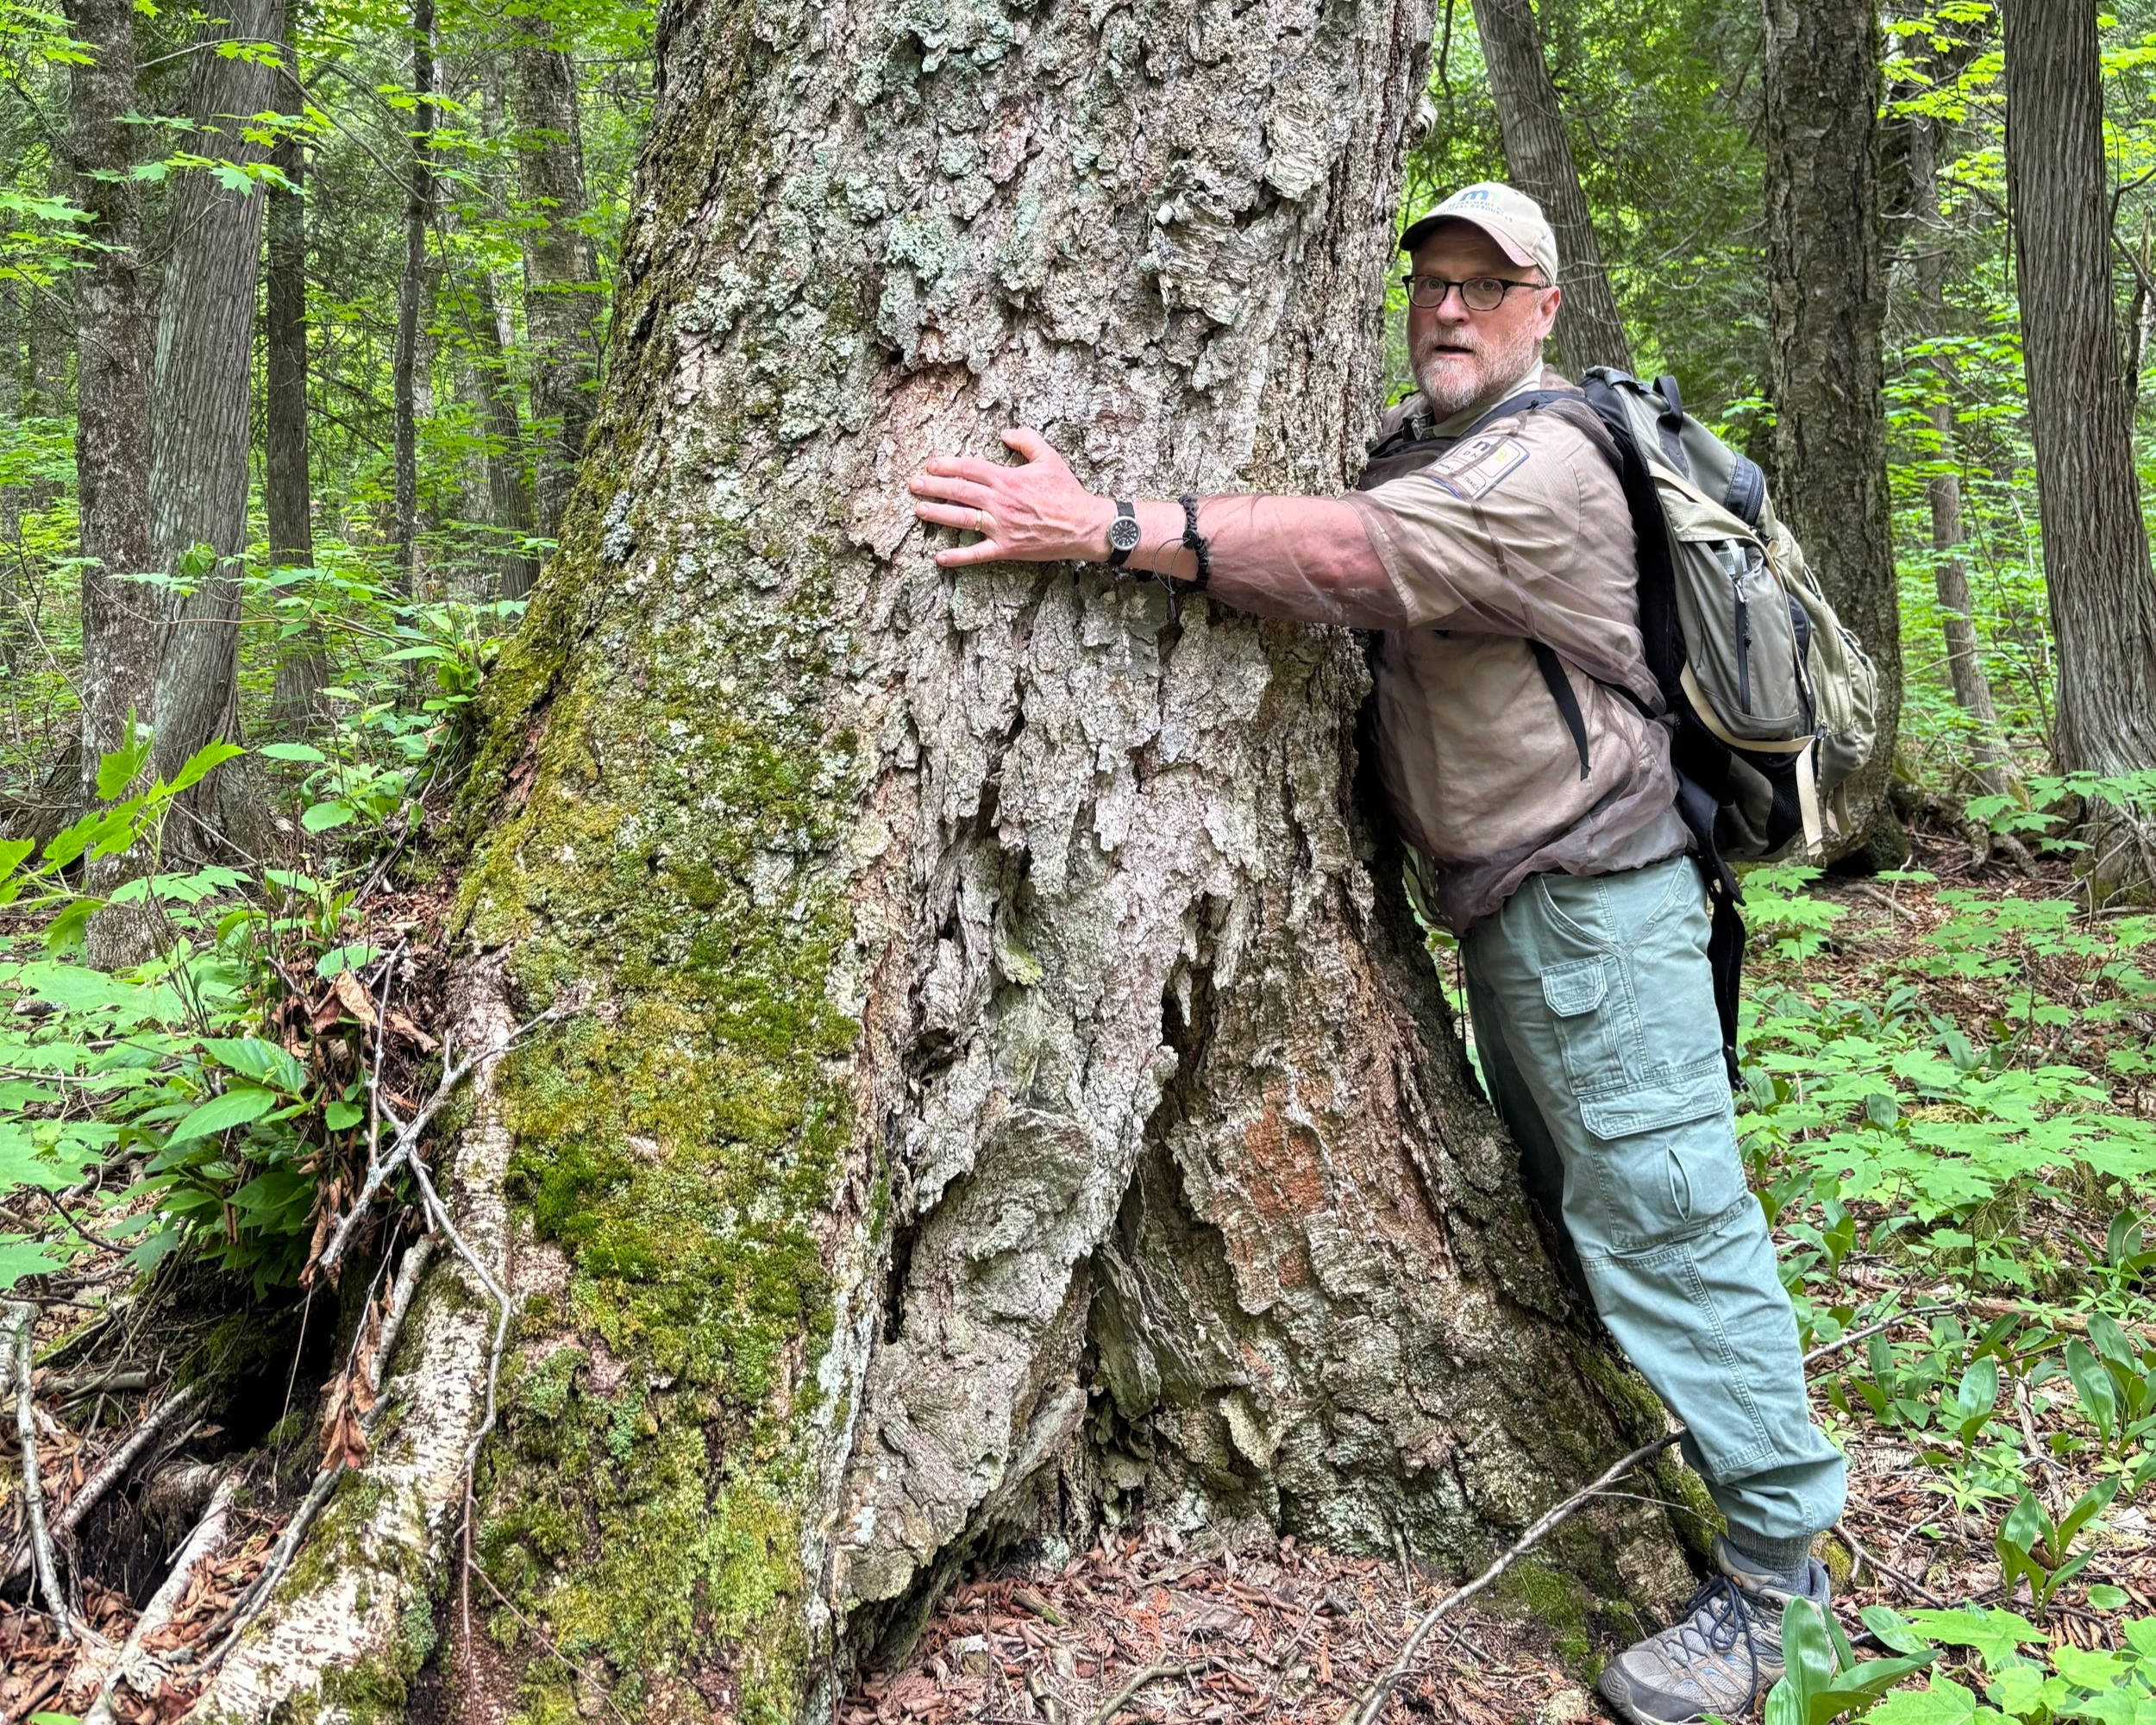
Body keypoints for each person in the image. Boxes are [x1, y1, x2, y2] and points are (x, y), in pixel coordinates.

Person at [906, 181, 1845, 1725]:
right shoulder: (1445, 441)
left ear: (1547, 308)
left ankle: (1777, 1585)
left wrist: (1104, 528)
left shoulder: (1540, 464)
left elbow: (1355, 559)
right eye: (1434, 281)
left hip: (1596, 909)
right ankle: (1687, 1476)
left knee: (1671, 1219)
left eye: (1490, 283)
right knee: (1589, 1215)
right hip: (1529, 915)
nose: (1452, 307)